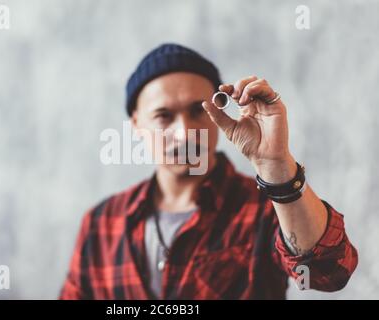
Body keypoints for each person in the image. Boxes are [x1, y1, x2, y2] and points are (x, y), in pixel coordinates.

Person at [59, 43, 358, 299]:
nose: (185, 132)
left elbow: (329, 273)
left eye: (197, 111)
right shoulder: (101, 223)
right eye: (164, 116)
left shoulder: (265, 211)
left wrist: (276, 165)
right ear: (136, 124)